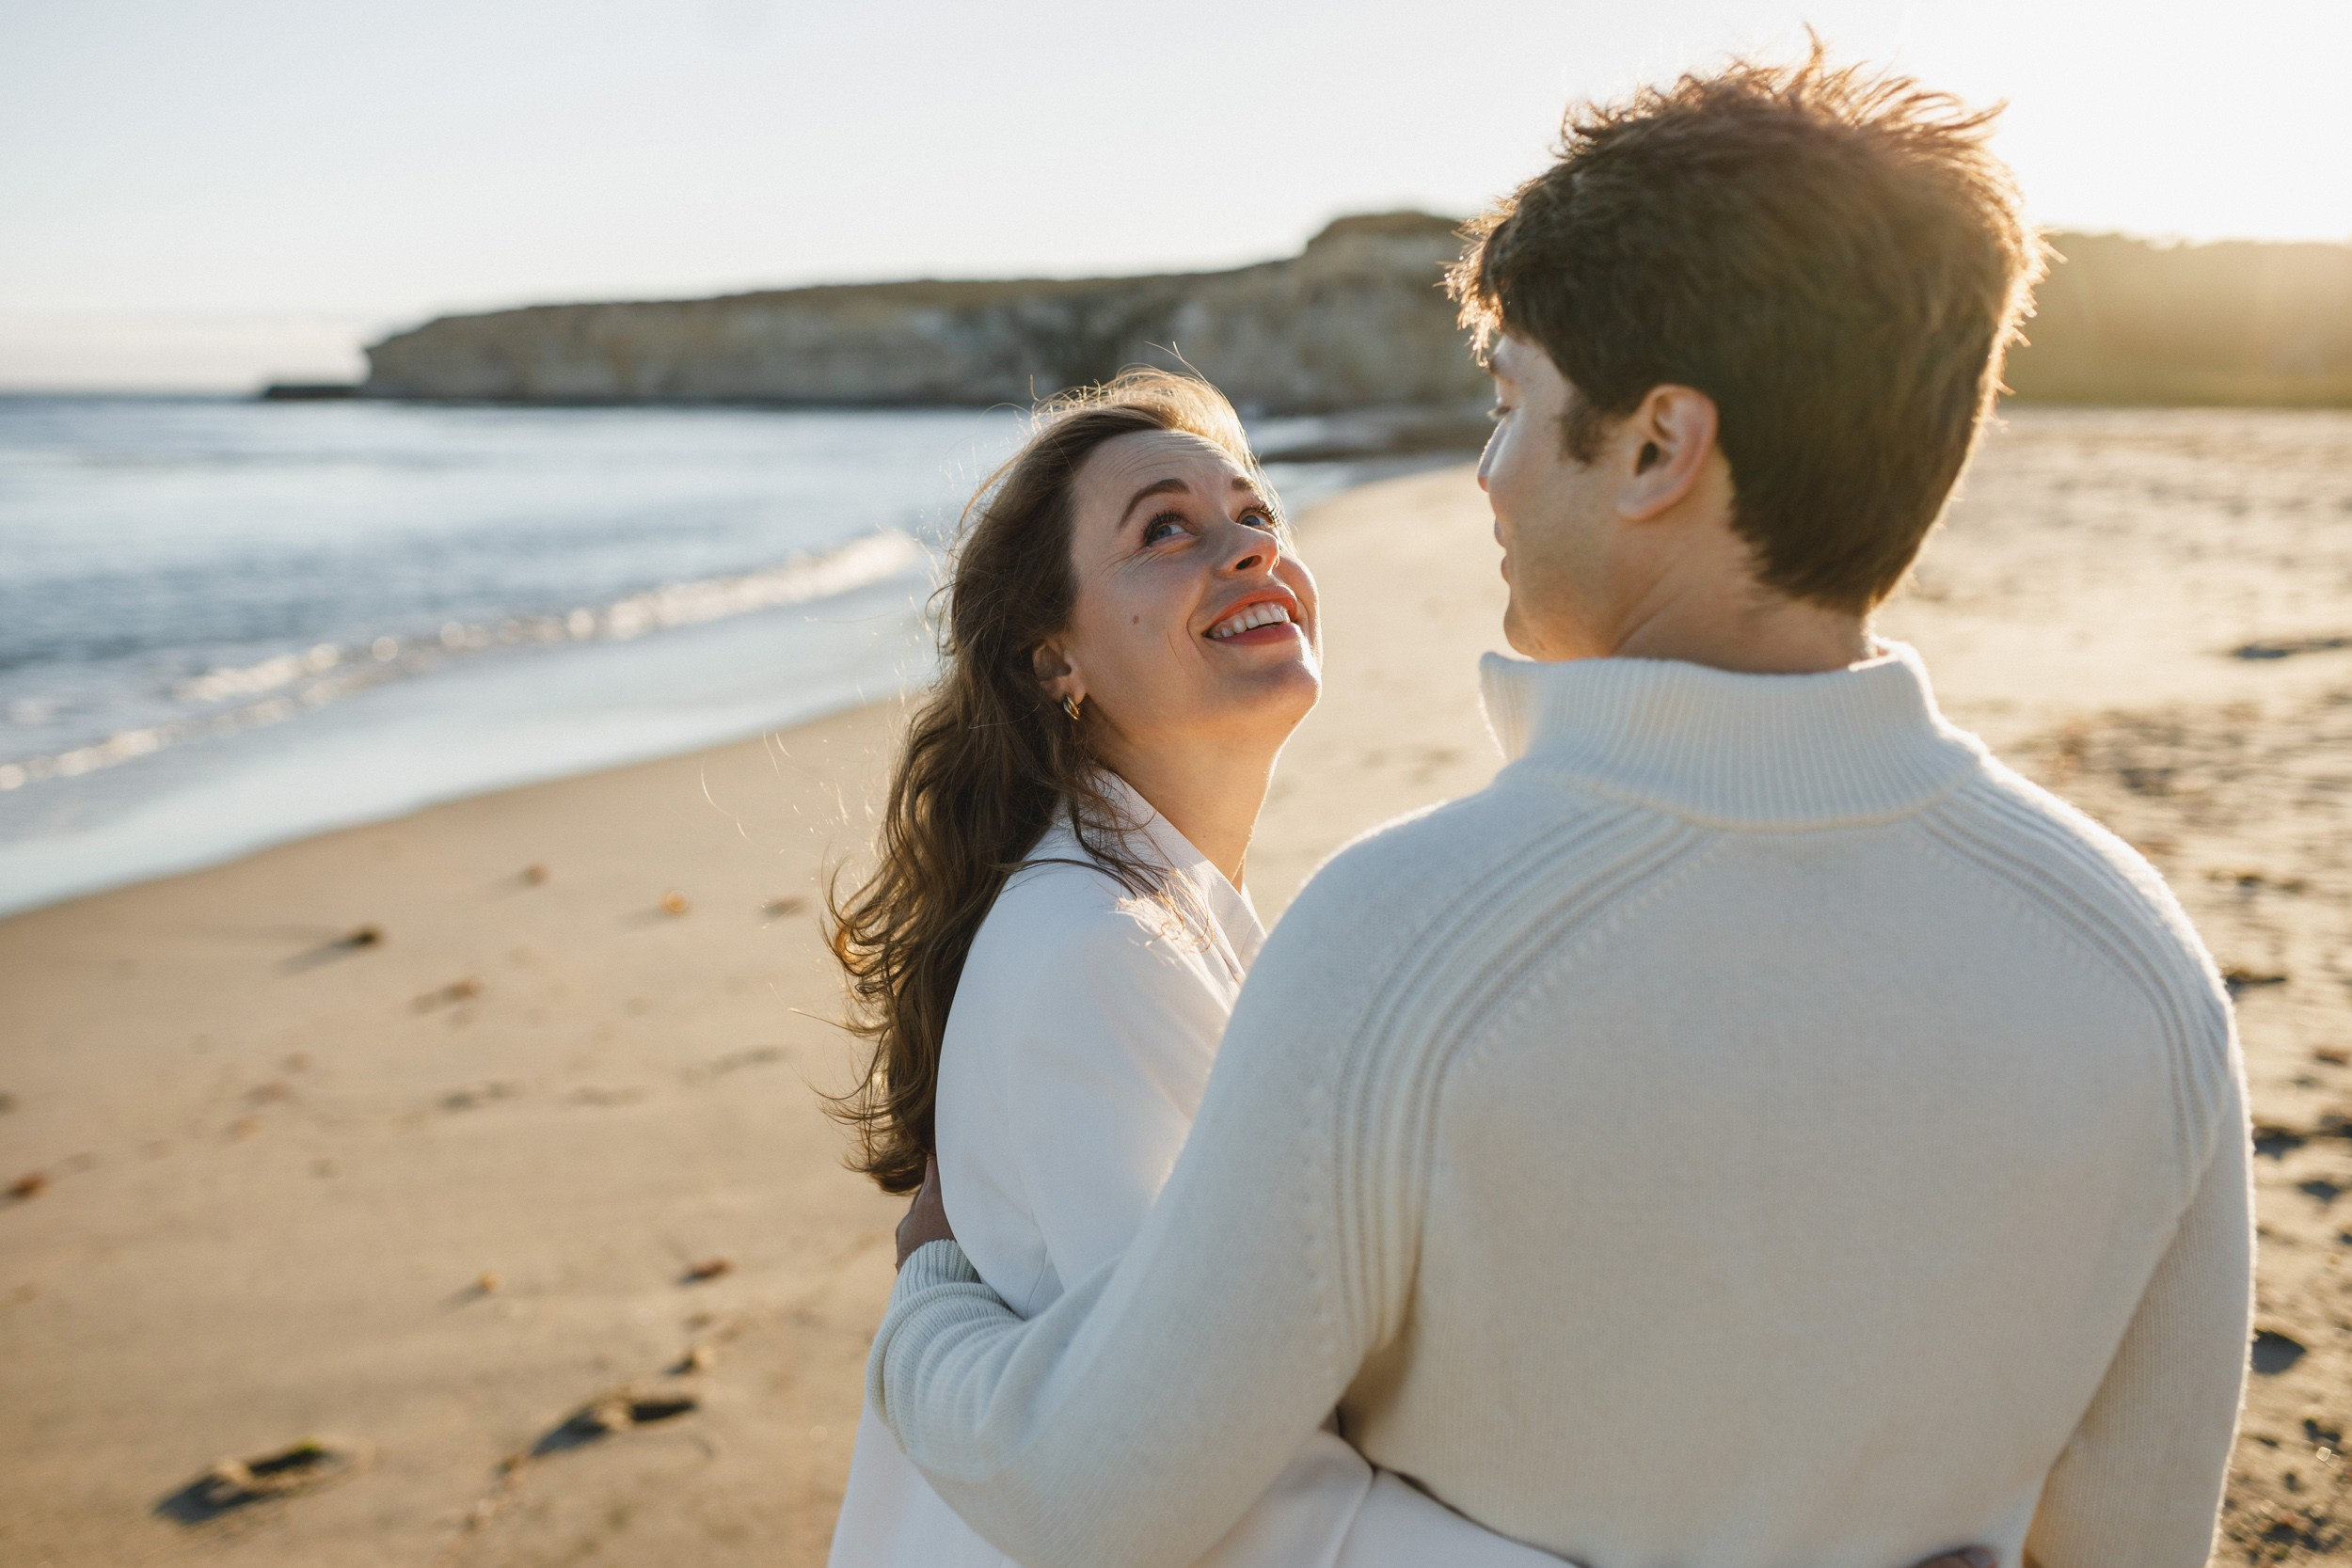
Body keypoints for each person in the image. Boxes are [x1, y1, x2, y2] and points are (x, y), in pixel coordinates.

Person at [867, 49, 2252, 1568]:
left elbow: (1095, 1494)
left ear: (1658, 446)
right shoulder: (2142, 962)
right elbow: (2136, 1532)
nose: (1489, 470)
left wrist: (928, 1298)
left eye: (1514, 401)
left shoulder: (1404, 948)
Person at [822, 371, 1994, 1568]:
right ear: (1051, 660)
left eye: (1255, 514)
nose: (1244, 549)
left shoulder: (1156, 913)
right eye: (1163, 529)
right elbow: (1234, 1509)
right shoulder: (1092, 957)